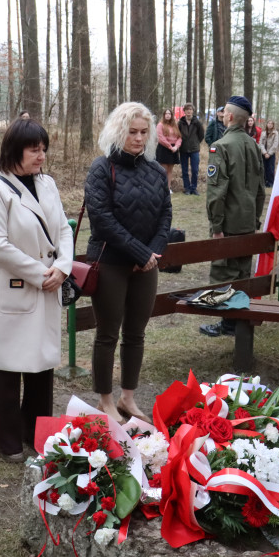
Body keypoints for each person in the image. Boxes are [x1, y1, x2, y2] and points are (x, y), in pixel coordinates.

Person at [0, 119, 73, 462]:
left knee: (41, 365)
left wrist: (63, 267)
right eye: (34, 149)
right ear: (15, 150)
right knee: (5, 367)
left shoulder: (47, 184)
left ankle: (37, 433)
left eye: (43, 149)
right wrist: (40, 273)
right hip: (12, 289)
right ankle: (8, 439)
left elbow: (63, 230)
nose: (41, 156)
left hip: (48, 284)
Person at [85, 102, 171, 422]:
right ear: (118, 132)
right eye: (131, 132)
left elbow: (165, 214)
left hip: (146, 266)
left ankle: (127, 398)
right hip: (110, 263)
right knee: (107, 333)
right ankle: (105, 400)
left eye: (143, 132)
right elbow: (102, 219)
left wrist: (153, 252)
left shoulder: (155, 170)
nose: (138, 138)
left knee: (136, 334)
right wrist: (139, 253)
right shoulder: (101, 168)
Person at [200, 96, 266, 338]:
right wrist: (255, 220)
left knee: (224, 273)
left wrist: (216, 226)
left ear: (229, 116)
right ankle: (236, 321)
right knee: (242, 272)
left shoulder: (221, 146)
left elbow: (217, 194)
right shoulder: (254, 145)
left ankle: (228, 324)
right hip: (248, 221)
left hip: (228, 223)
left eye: (224, 112)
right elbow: (261, 190)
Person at [177, 103, 205, 195]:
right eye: (187, 109)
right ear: (184, 111)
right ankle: (187, 188)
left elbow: (201, 135)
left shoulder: (197, 122)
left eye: (190, 109)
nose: (189, 111)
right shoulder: (180, 123)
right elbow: (178, 135)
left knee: (195, 170)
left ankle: (194, 188)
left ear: (193, 111)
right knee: (184, 170)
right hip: (183, 149)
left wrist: (195, 143)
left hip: (194, 150)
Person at [155, 108, 182, 188]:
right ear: (163, 115)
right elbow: (160, 138)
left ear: (171, 115)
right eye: (166, 114)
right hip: (163, 149)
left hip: (173, 150)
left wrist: (176, 146)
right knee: (163, 170)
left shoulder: (175, 125)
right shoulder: (160, 125)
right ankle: (162, 187)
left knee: (170, 170)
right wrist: (170, 147)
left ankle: (168, 188)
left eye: (169, 114)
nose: (167, 115)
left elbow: (179, 137)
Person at [261, 119, 279, 188]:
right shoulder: (263, 133)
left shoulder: (275, 133)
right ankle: (264, 182)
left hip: (271, 154)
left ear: (273, 125)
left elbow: (275, 144)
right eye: (269, 123)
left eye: (271, 124)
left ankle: (270, 182)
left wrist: (269, 153)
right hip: (263, 154)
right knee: (263, 168)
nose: (270, 125)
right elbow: (261, 144)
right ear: (266, 124)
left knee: (271, 168)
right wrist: (264, 153)